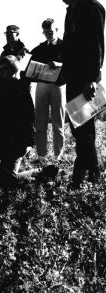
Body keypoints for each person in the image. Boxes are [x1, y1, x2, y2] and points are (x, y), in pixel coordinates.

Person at [0, 55, 58, 187]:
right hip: (22, 142)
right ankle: (41, 173)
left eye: (0, 71)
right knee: (7, 178)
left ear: (5, 71)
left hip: (11, 142)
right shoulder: (18, 87)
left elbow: (0, 116)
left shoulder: (10, 89)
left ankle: (28, 179)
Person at [62, 0, 105, 186]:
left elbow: (96, 45)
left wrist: (92, 78)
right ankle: (89, 176)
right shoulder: (72, 10)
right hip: (72, 78)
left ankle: (84, 178)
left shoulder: (91, 7)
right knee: (78, 128)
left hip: (84, 80)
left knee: (85, 130)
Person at [31, 18, 66, 163]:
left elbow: (75, 61)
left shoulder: (65, 46)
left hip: (58, 86)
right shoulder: (40, 48)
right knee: (40, 121)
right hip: (41, 86)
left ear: (57, 30)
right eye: (45, 32)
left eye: (50, 32)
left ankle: (58, 156)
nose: (48, 35)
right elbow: (28, 59)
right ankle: (41, 156)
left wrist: (60, 64)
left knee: (58, 122)